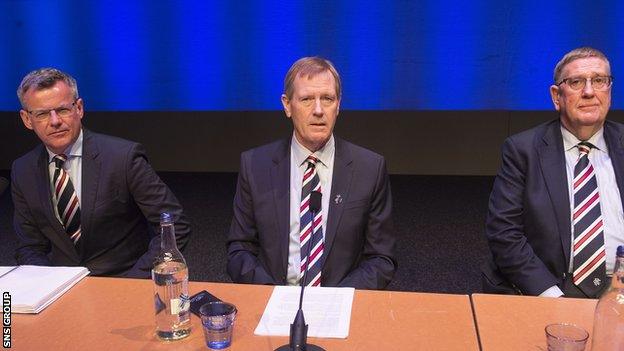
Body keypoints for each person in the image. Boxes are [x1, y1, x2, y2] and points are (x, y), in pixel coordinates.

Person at [226, 57, 396, 289]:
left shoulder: (369, 168)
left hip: (341, 303)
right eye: (306, 99)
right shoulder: (255, 165)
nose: (318, 110)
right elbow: (239, 250)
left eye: (327, 99)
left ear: (338, 105)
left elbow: (381, 259)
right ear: (287, 105)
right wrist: (273, 296)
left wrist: (336, 299)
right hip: (273, 300)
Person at [12, 68, 190, 278]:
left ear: (79, 108)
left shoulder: (123, 157)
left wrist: (131, 284)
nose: (54, 121)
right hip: (61, 289)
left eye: (62, 110)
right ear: (27, 119)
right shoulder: (23, 170)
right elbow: (29, 247)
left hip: (125, 281)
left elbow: (174, 226)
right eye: (42, 114)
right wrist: (48, 284)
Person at [483, 47, 624, 298]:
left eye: (599, 81)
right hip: (553, 288)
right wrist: (551, 298)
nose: (589, 92)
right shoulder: (523, 150)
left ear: (609, 91)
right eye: (576, 82)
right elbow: (504, 234)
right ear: (557, 96)